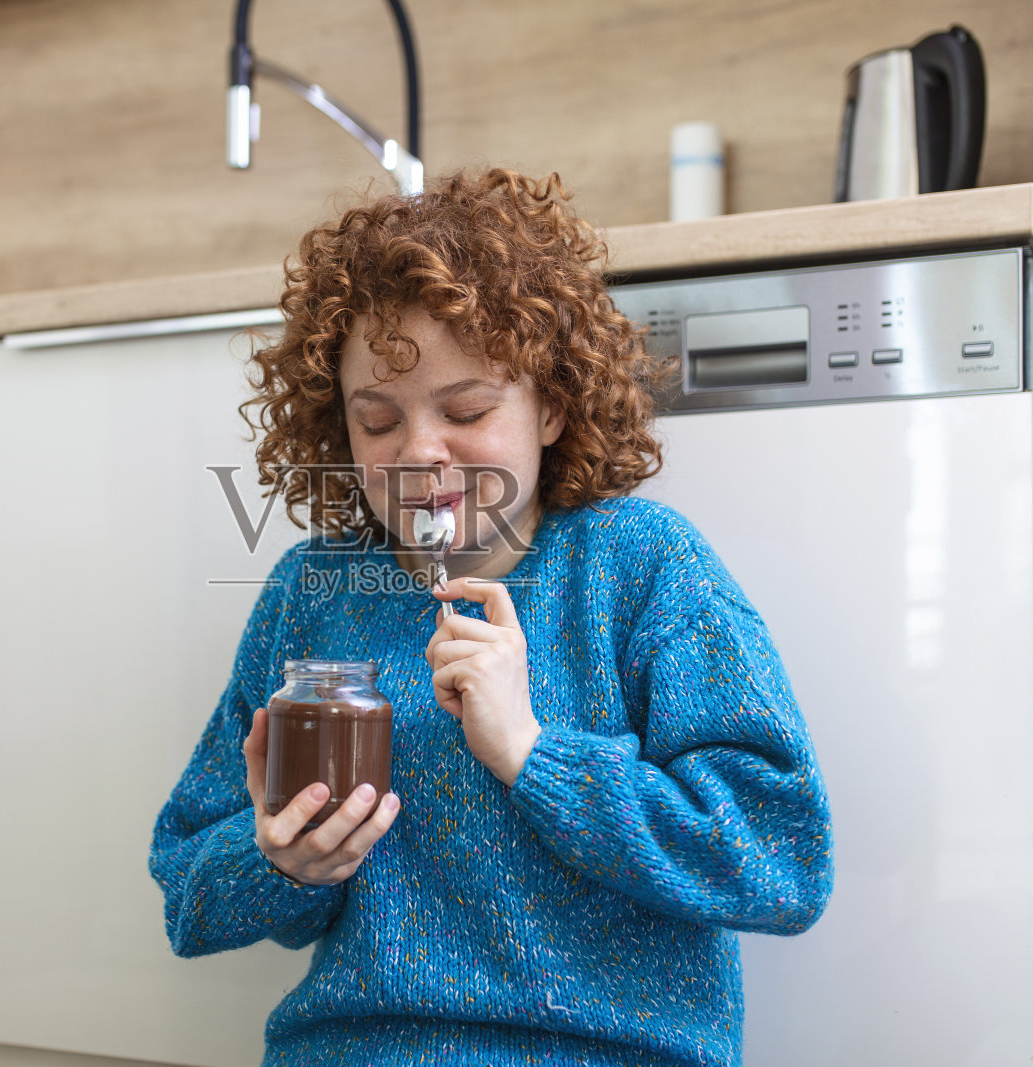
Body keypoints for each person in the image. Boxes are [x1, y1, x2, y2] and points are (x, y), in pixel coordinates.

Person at [148, 169, 833, 1066]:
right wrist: (279, 864)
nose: (419, 450)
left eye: (467, 408)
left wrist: (539, 756)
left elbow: (782, 860)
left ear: (549, 405)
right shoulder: (311, 591)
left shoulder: (642, 566)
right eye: (377, 420)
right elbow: (185, 894)